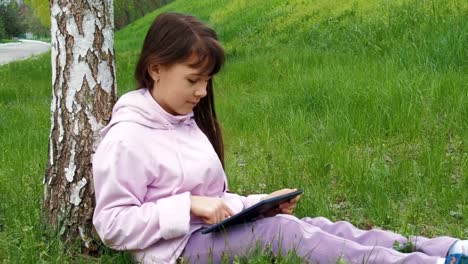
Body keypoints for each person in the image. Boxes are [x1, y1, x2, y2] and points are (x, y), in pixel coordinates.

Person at [92, 12, 467, 264]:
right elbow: (111, 224)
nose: (203, 93)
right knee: (286, 233)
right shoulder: (127, 138)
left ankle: (440, 250)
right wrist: (188, 205)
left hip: (209, 231)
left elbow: (216, 203)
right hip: (178, 250)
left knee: (317, 226)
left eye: (207, 81)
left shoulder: (184, 121)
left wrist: (259, 203)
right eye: (194, 80)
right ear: (156, 68)